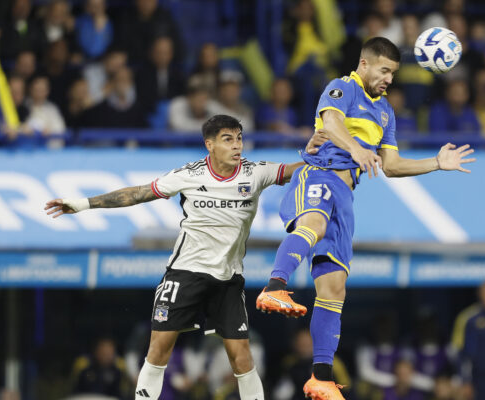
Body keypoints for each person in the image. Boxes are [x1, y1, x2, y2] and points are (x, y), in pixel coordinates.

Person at [255, 37, 476, 400]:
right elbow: (330, 121)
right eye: (385, 70)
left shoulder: (386, 112)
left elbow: (390, 165)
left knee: (334, 287)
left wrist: (436, 163)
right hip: (320, 174)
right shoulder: (343, 87)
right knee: (313, 224)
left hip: (345, 196)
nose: (389, 78)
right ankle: (275, 286)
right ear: (365, 64)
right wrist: (356, 147)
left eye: (393, 73)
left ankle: (321, 377)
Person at [46, 115, 321, 400]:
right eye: (228, 139)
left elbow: (296, 171)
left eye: (239, 138)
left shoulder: (256, 172)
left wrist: (322, 155)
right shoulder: (189, 174)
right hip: (185, 273)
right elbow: (138, 193)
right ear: (210, 144)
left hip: (228, 279)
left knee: (242, 357)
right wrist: (82, 204)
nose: (237, 145)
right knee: (159, 350)